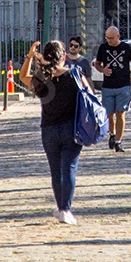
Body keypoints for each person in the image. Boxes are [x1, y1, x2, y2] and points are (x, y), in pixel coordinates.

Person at [19, 39, 84, 224]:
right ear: (63, 56)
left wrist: (30, 57)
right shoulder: (73, 75)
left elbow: (23, 77)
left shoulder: (41, 77)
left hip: (48, 130)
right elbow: (88, 94)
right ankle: (65, 209)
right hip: (71, 129)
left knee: (56, 171)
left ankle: (60, 207)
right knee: (69, 168)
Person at [94, 26, 131, 152]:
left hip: (124, 85)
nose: (109, 41)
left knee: (120, 113)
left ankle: (118, 141)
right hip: (108, 86)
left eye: (111, 38)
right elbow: (97, 64)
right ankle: (112, 134)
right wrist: (103, 70)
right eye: (107, 38)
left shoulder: (127, 48)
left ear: (118, 36)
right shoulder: (103, 48)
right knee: (109, 115)